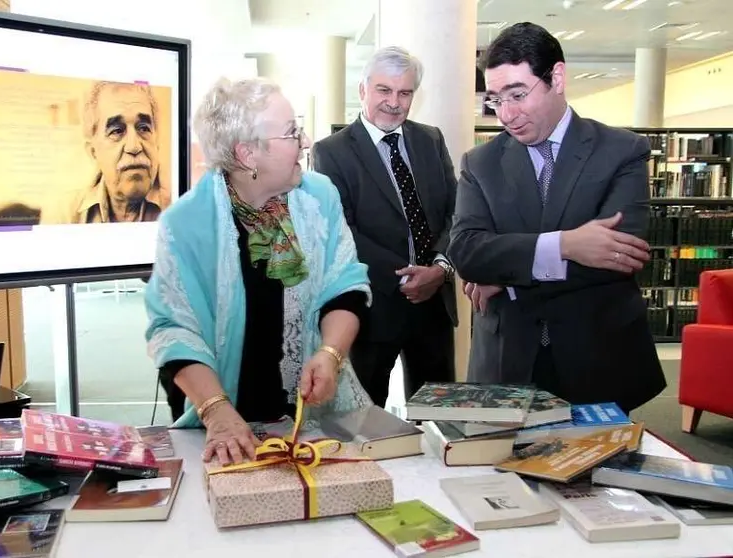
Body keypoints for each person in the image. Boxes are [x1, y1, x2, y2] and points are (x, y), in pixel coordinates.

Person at [144, 77, 373, 466]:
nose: (305, 142)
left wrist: (331, 353)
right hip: (227, 417)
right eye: (291, 133)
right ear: (248, 153)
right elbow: (173, 329)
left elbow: (345, 284)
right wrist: (217, 411)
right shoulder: (185, 223)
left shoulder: (319, 197)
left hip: (313, 417)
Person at [448, 22, 666, 413]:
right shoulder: (480, 163)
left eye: (517, 94)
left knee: (599, 471)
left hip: (597, 358)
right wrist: (567, 245)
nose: (507, 115)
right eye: (496, 100)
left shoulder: (622, 151)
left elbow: (619, 258)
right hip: (507, 364)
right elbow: (466, 252)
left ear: (557, 78)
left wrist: (506, 277)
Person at [311, 46, 458, 409]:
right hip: (374, 308)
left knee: (440, 417)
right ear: (362, 90)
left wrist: (440, 269)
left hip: (434, 306)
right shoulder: (331, 152)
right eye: (384, 90)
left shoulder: (431, 140)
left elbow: (458, 212)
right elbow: (341, 230)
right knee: (363, 421)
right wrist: (406, 278)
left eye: (404, 93)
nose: (394, 102)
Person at [40, 81, 169, 225]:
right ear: (93, 152)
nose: (134, 147)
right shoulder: (63, 214)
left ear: (156, 144)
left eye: (144, 128)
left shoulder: (178, 208)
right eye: (117, 131)